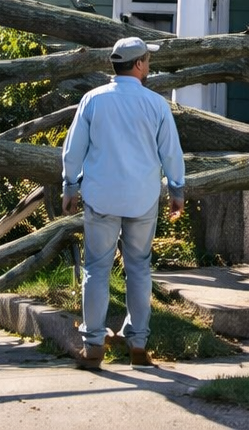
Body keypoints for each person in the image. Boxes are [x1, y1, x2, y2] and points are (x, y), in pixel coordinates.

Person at [61, 36, 185, 370]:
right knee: (139, 269)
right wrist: (176, 191)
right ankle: (138, 345)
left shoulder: (93, 101)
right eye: (148, 59)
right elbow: (171, 152)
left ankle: (93, 345)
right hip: (142, 198)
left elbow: (74, 150)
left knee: (97, 269)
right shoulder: (156, 104)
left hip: (101, 196)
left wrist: (69, 185)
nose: (149, 64)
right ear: (140, 64)